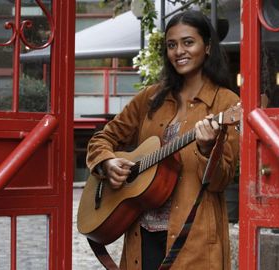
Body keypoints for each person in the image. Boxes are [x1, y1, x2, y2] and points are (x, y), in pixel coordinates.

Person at [86, 10, 240, 269]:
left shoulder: (227, 104)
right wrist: (107, 162)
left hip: (193, 237)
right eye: (172, 45)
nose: (179, 51)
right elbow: (102, 138)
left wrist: (206, 148)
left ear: (208, 47)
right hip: (141, 235)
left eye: (188, 42)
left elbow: (221, 180)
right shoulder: (150, 98)